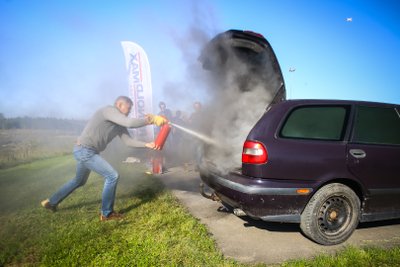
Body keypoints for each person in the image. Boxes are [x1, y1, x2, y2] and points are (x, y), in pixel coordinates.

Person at [40, 96, 167, 221]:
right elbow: (129, 123)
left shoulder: (118, 124)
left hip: (87, 151)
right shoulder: (108, 110)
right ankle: (107, 213)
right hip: (85, 150)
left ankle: (51, 202)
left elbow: (128, 141)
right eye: (128, 109)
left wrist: (146, 144)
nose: (129, 112)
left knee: (79, 181)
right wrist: (150, 120)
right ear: (119, 105)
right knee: (112, 176)